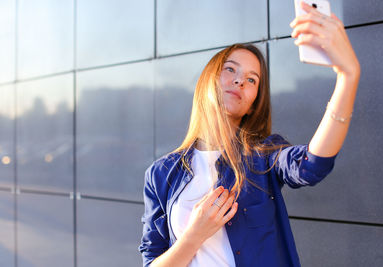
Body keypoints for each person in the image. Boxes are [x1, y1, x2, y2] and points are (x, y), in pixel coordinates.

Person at [139, 1, 360, 266]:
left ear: (254, 102)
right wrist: (194, 236)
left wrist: (348, 76)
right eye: (230, 69)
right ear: (208, 79)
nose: (240, 80)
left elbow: (312, 165)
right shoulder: (161, 174)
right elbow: (151, 261)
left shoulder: (264, 156)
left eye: (252, 79)